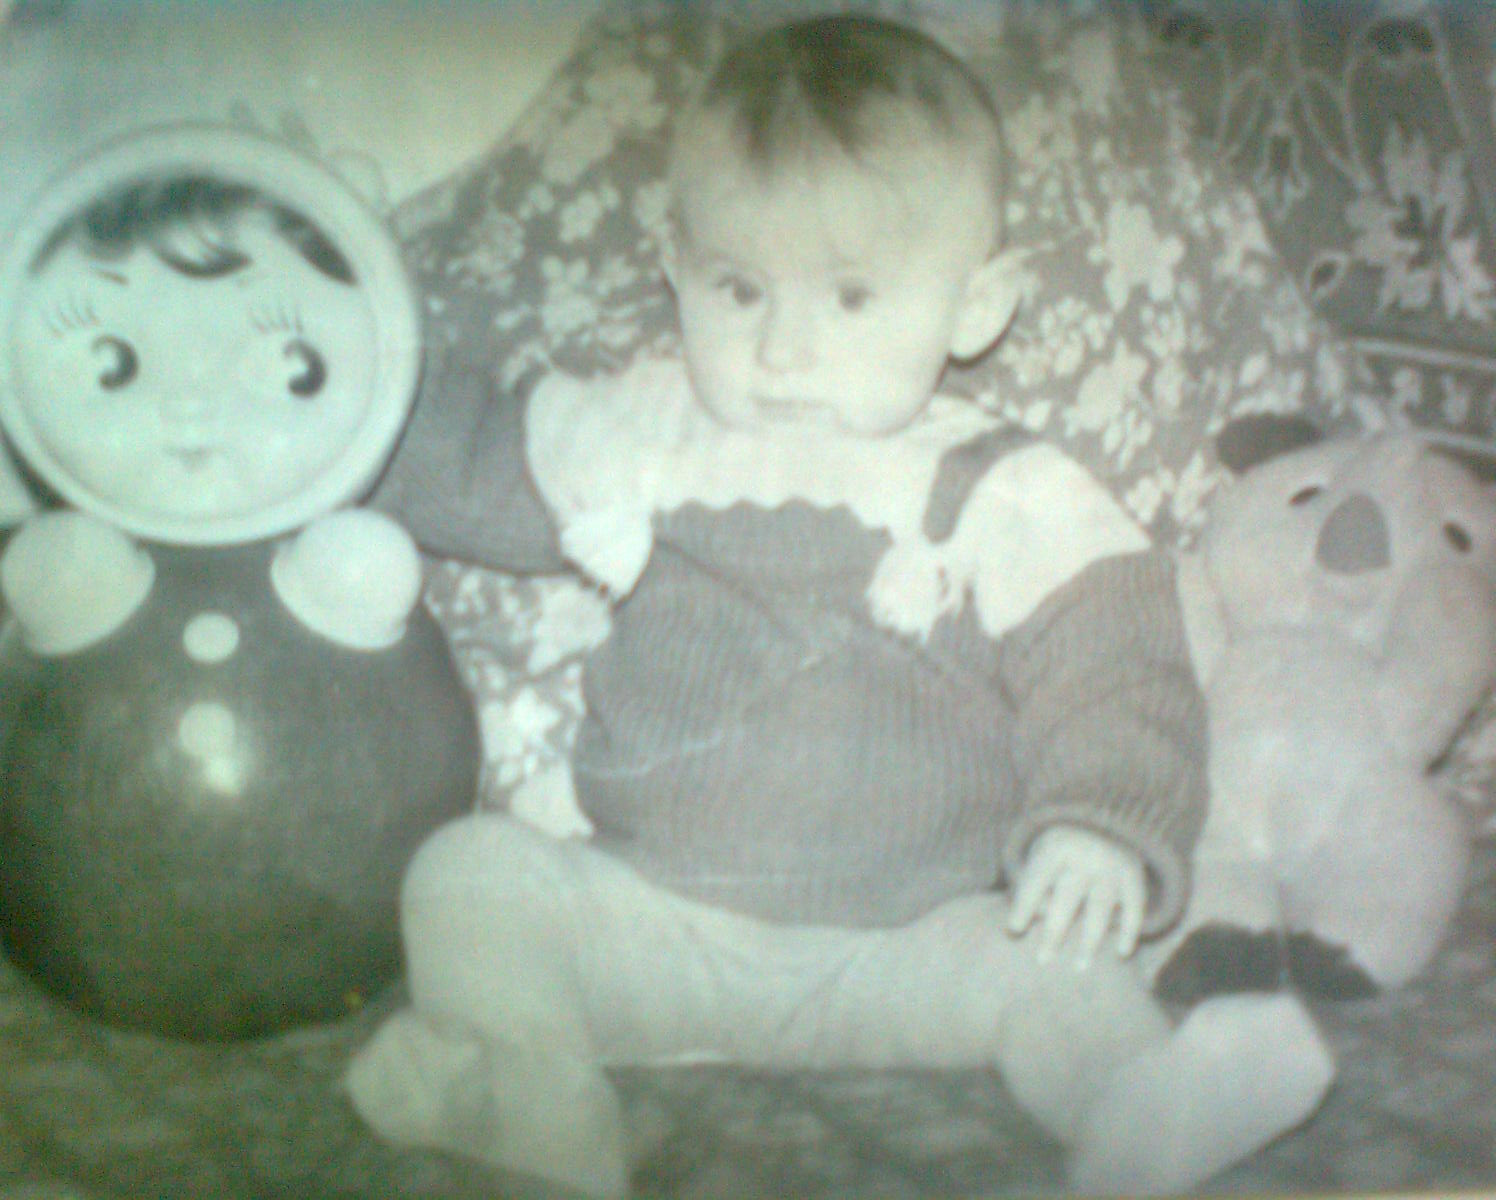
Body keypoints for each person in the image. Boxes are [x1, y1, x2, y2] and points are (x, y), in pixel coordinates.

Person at [350, 15, 1333, 1196]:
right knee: (469, 874)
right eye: (739, 289)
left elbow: (1121, 669)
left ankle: (1138, 1107)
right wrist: (331, 387)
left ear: (977, 306)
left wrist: (1097, 825)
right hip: (653, 928)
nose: (783, 350)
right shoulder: (643, 431)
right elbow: (460, 456)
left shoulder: (1010, 491)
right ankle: (528, 1091)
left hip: (916, 945)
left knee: (1061, 962)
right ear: (676, 274)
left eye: (852, 297)